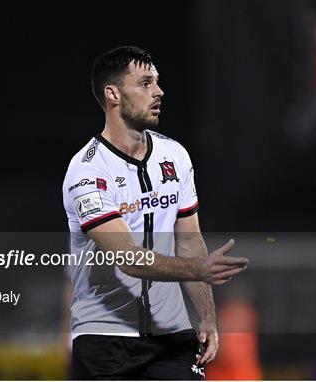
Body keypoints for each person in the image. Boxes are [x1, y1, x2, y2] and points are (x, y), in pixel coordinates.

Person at [62, 46, 248, 380]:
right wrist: (198, 269)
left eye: (157, 82)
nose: (159, 91)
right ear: (113, 94)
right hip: (105, 342)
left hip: (170, 337)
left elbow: (190, 242)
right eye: (145, 83)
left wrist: (207, 315)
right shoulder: (87, 172)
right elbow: (128, 258)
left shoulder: (174, 155)